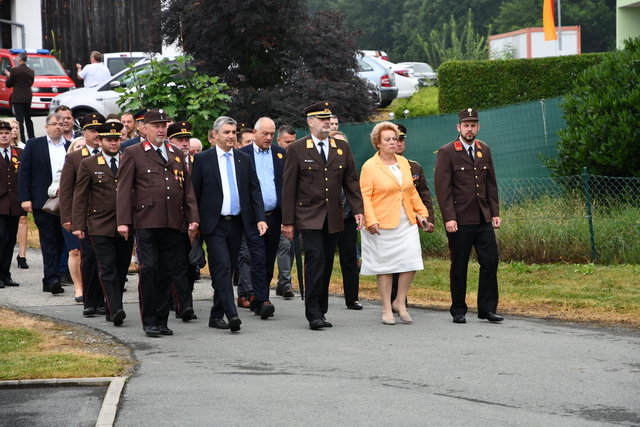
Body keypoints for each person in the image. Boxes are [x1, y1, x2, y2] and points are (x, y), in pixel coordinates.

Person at [117, 108, 199, 337]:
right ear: (144, 129)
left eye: (164, 126)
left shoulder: (175, 152)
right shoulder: (133, 152)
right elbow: (124, 189)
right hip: (146, 221)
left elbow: (187, 189)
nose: (161, 129)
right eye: (156, 126)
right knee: (150, 268)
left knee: (167, 271)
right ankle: (150, 320)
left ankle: (162, 320)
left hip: (173, 221)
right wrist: (123, 220)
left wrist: (193, 217)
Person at [281, 101, 364, 330]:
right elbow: (288, 188)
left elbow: (351, 182)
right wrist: (287, 221)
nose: (327, 122)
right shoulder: (297, 148)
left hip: (334, 216)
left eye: (329, 119)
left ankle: (322, 310)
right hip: (308, 216)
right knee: (315, 261)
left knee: (326, 263)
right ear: (310, 122)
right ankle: (313, 313)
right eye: (322, 119)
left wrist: (358, 211)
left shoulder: (341, 148)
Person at [191, 116, 266, 333]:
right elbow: (194, 193)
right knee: (222, 267)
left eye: (234, 132)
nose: (231, 136)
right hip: (213, 224)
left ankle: (215, 315)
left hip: (237, 223)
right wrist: (193, 222)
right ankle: (231, 313)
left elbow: (254, 190)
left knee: (227, 267)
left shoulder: (244, 158)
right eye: (226, 132)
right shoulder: (203, 159)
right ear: (215, 135)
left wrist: (260, 218)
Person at [434, 108, 503, 324]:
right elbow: (443, 189)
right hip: (460, 220)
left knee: (490, 261)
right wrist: (449, 218)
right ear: (459, 128)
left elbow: (490, 184)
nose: (470, 129)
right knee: (459, 265)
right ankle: (458, 309)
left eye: (473, 125)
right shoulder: (447, 152)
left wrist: (495, 212)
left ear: (478, 127)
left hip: (483, 219)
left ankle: (487, 309)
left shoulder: (485, 149)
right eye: (466, 125)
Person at [360, 122, 429, 325]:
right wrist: (371, 221)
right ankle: (386, 308)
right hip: (381, 224)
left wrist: (422, 214)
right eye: (388, 139)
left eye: (395, 138)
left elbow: (411, 191)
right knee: (385, 267)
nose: (393, 142)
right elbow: (365, 197)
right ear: (377, 143)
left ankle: (400, 301)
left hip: (406, 221)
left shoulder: (404, 162)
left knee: (412, 260)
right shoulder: (369, 167)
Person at [73, 122, 133, 326]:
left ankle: (111, 307)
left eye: (117, 139)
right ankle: (116, 308)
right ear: (100, 141)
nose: (113, 143)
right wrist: (79, 225)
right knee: (107, 267)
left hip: (126, 224)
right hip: (99, 224)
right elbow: (80, 197)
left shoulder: (129, 160)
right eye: (109, 139)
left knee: (121, 267)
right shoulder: (89, 164)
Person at [239, 117, 286, 318]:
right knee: (257, 257)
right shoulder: (243, 154)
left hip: (274, 215)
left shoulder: (281, 154)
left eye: (271, 134)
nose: (268, 138)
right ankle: (263, 299)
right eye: (265, 134)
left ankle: (259, 299)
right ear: (255, 132)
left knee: (268, 259)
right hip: (252, 217)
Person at [59, 114, 107, 315]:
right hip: (85, 217)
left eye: (99, 131)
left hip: (107, 217)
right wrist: (68, 218)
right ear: (84, 133)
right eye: (92, 131)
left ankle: (104, 299)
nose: (96, 135)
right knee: (89, 259)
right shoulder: (75, 157)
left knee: (105, 261)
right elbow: (67, 190)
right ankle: (90, 300)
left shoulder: (114, 154)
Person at [18, 113, 70, 294]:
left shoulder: (70, 147)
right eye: (54, 124)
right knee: (49, 241)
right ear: (46, 127)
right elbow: (24, 172)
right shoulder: (34, 144)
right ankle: (52, 278)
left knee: (62, 240)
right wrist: (25, 198)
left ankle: (55, 275)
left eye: (61, 124)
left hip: (65, 203)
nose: (58, 126)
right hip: (42, 201)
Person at [390, 124, 435, 306]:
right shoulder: (375, 166)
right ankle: (393, 299)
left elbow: (424, 195)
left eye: (401, 140)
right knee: (392, 263)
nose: (399, 144)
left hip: (409, 222)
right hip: (389, 222)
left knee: (407, 262)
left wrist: (428, 219)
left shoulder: (414, 168)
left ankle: (400, 300)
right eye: (394, 139)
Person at [167, 121, 198, 321]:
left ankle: (182, 299)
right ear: (170, 141)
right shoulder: (167, 160)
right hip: (176, 222)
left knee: (192, 265)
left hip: (196, 221)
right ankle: (183, 305)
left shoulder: (198, 161)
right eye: (180, 139)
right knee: (178, 264)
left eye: (187, 139)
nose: (185, 143)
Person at [329, 130, 363, 310]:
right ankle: (319, 298)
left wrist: (358, 211)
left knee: (350, 258)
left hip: (348, 218)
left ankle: (352, 298)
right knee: (323, 259)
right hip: (327, 219)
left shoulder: (349, 164)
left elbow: (354, 188)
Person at [0, 121, 24, 289]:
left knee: (10, 240)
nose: (4, 135)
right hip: (0, 203)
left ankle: (5, 274)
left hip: (14, 203)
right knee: (1, 238)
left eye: (7, 132)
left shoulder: (19, 153)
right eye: (1, 132)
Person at [274, 125, 297, 297]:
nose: (290, 145)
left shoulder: (296, 157)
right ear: (278, 140)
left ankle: (283, 282)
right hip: (275, 209)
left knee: (290, 247)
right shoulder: (274, 158)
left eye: (293, 142)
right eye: (287, 142)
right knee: (284, 245)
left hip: (291, 210)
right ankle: (286, 282)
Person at [9, 119, 28, 270]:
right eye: (11, 128)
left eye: (16, 128)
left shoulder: (23, 149)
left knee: (21, 220)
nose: (14, 130)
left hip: (17, 192)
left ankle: (22, 255)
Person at [5, 52, 35, 142]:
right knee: (28, 118)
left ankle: (21, 139)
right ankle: (32, 138)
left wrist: (8, 76)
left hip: (18, 97)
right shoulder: (31, 71)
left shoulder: (15, 70)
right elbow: (30, 83)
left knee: (19, 120)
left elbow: (9, 84)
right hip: (27, 96)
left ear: (19, 60)